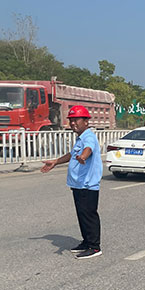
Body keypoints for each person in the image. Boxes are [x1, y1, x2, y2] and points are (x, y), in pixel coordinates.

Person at [41, 105, 103, 259]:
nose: (73, 123)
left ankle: (94, 247)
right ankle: (86, 242)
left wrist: (83, 157)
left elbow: (88, 149)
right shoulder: (80, 138)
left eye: (77, 120)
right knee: (82, 215)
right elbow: (72, 154)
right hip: (78, 184)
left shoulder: (88, 136)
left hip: (87, 185)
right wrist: (56, 162)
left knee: (89, 215)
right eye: (71, 120)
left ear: (86, 121)